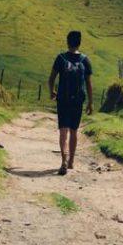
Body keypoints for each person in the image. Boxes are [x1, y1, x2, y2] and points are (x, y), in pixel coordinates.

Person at [48, 29, 93, 175]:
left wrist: (52, 92)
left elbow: (51, 79)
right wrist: (90, 103)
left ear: (68, 42)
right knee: (74, 131)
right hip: (78, 101)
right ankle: (72, 161)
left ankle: (64, 161)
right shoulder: (85, 60)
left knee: (63, 131)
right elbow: (88, 84)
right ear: (79, 43)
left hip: (63, 100)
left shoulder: (60, 58)